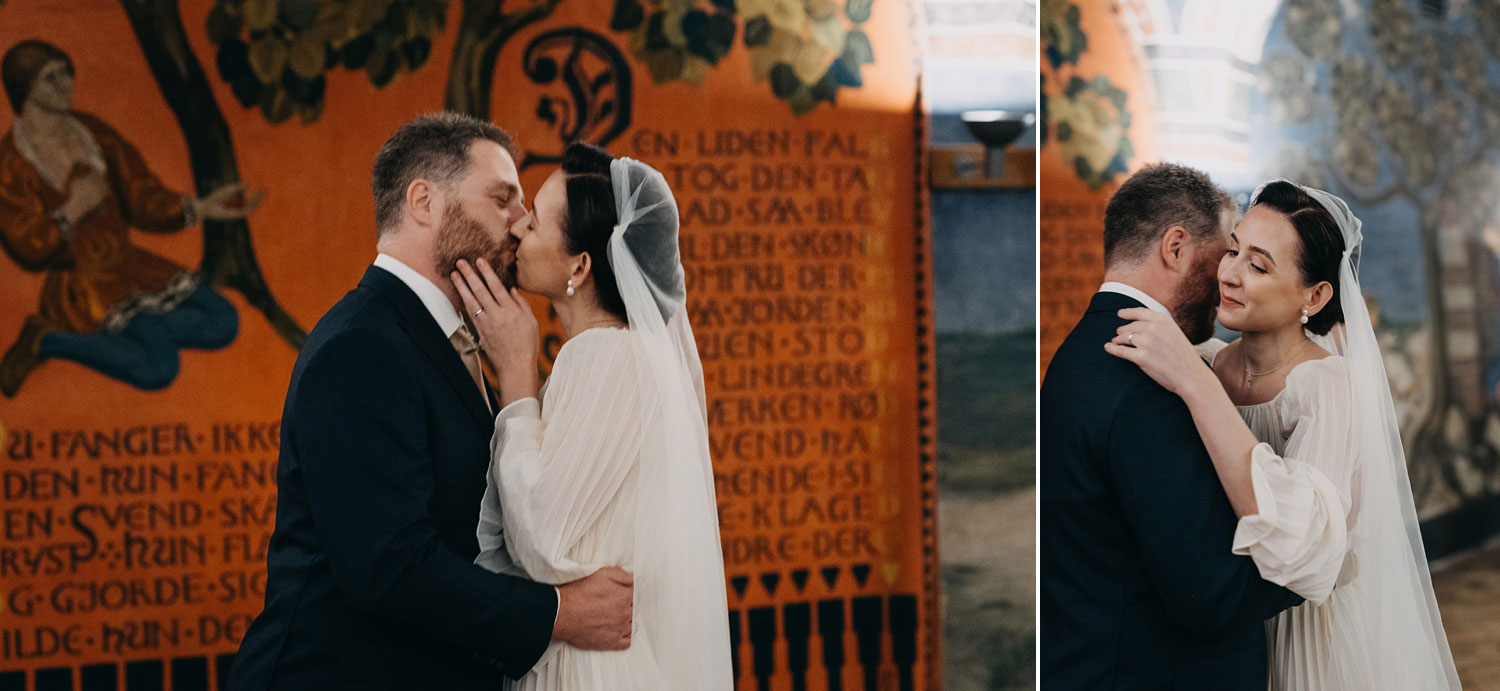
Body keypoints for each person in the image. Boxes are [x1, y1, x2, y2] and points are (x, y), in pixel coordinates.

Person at [227, 114, 633, 691]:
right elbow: (389, 568)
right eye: (502, 199)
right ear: (423, 201)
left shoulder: (451, 340)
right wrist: (561, 613)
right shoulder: (361, 346)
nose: (520, 225)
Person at [1107, 179, 1460, 689]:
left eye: (1258, 266)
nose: (1228, 274)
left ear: (1314, 295)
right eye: (1233, 251)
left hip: (1312, 642)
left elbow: (1301, 547)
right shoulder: (1206, 363)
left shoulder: (1329, 386)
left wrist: (1194, 384)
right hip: (1226, 634)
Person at [454, 141, 731, 689]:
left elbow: (542, 538)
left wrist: (515, 377)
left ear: (579, 265)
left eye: (532, 223)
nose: (516, 231)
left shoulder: (604, 354)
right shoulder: (624, 355)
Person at [1040, 163, 1303, 690]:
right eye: (1226, 251)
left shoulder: (1080, 354)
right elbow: (1210, 595)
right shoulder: (1146, 377)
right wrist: (1313, 552)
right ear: (1176, 247)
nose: (1227, 277)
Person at [0, 39, 260, 396]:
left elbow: (139, 195)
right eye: (50, 77)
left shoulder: (91, 131)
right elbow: (26, 243)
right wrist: (75, 207)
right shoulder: (12, 163)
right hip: (85, 283)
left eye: (67, 73)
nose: (65, 84)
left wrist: (199, 208)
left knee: (223, 321)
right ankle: (47, 341)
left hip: (132, 265)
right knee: (161, 368)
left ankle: (140, 325)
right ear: (23, 86)